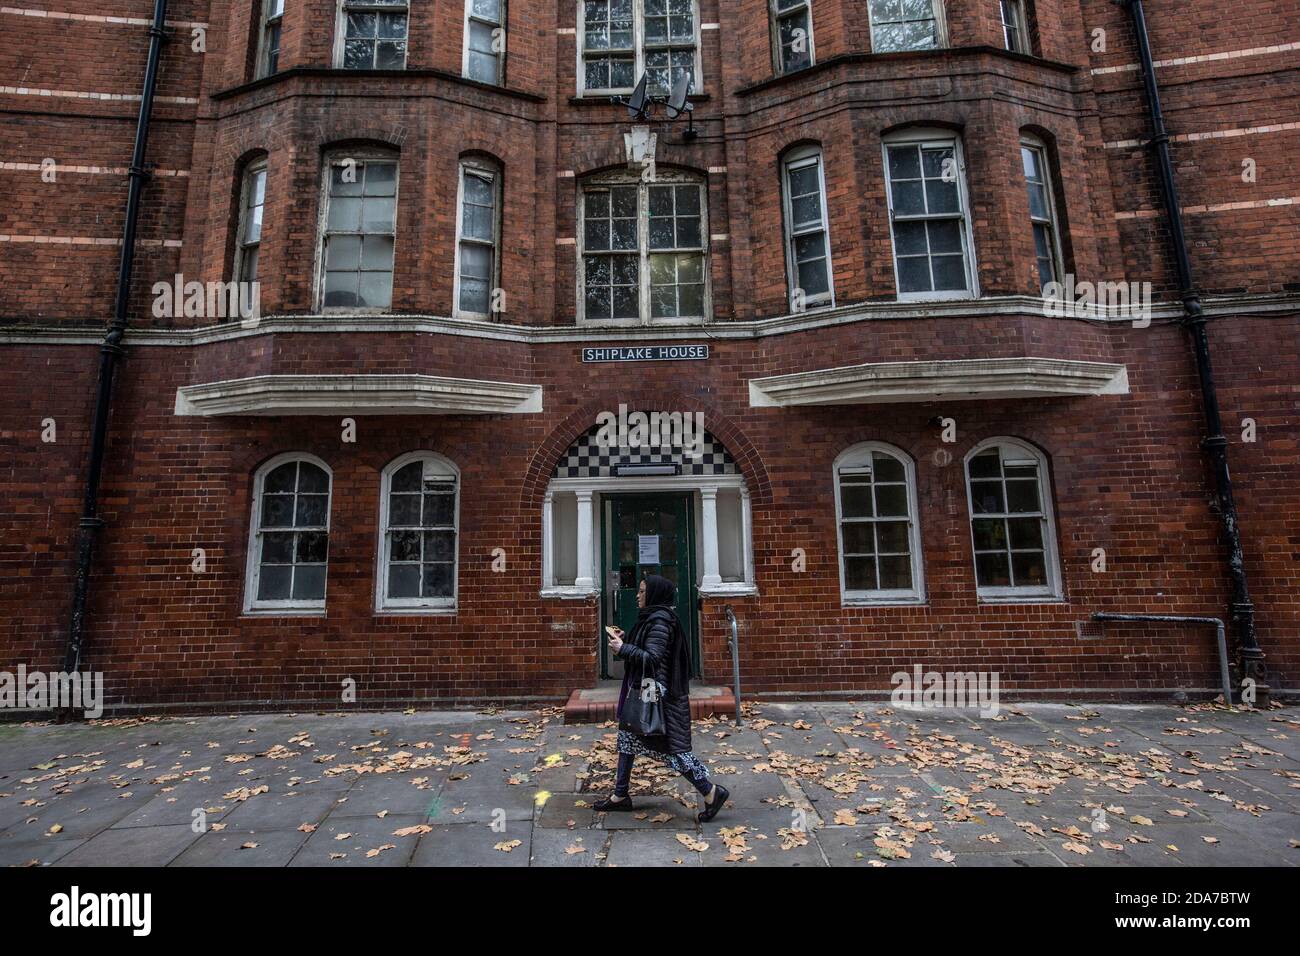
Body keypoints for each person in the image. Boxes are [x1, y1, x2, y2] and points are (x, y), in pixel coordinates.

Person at [593, 573, 730, 822]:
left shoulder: (660, 622)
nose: (637, 595)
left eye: (643, 591)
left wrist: (624, 649)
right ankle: (620, 795)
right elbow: (649, 649)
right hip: (647, 691)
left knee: (671, 749)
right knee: (627, 738)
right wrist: (627, 640)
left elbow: (653, 658)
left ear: (654, 595)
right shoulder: (653, 619)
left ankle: (710, 792)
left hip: (659, 697)